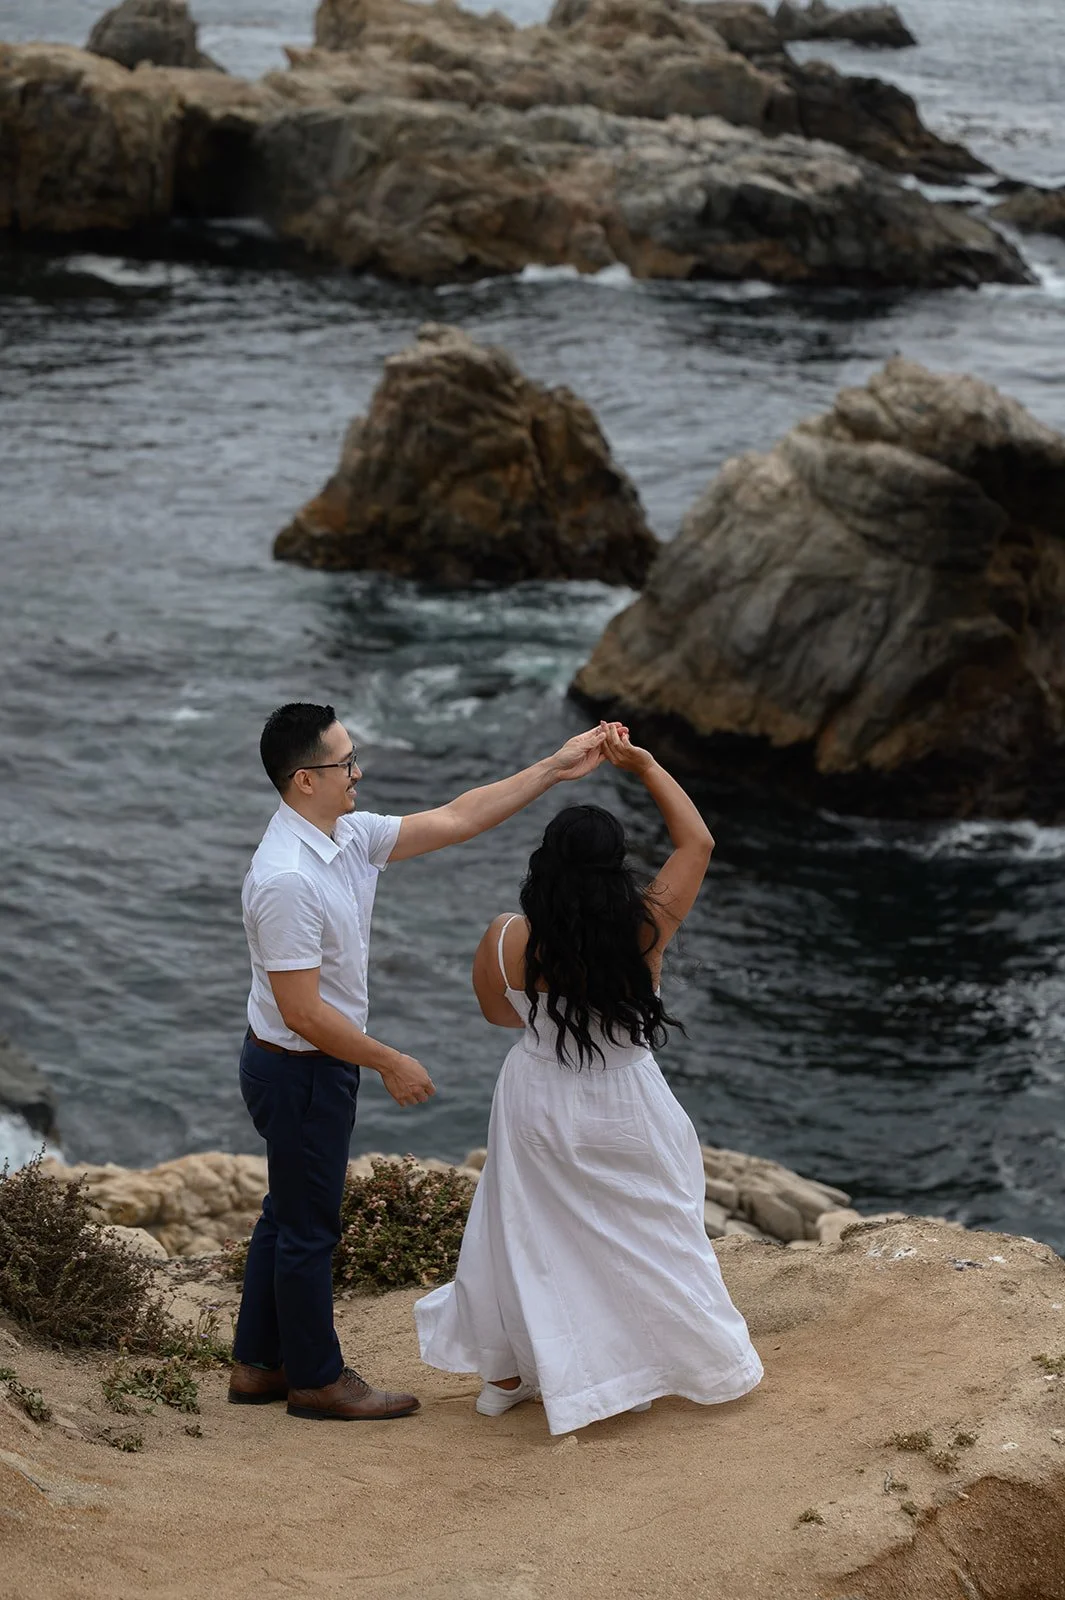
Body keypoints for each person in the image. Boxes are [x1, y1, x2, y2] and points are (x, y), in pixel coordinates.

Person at [228, 702, 609, 1422]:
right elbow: (303, 1011)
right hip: (301, 1068)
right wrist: (389, 1061)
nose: (358, 772)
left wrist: (556, 766)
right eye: (345, 762)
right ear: (305, 779)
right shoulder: (285, 879)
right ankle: (315, 1379)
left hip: (303, 1064)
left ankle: (258, 1365)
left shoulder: (343, 836)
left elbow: (459, 816)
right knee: (310, 1228)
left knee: (287, 1213)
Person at [414, 723, 763, 1434]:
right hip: (625, 1093)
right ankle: (675, 1363)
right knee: (652, 1228)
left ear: (543, 867)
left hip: (536, 1091)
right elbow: (697, 842)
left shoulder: (507, 936)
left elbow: (496, 1014)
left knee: (518, 1232)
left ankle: (505, 1375)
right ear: (616, 871)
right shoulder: (644, 928)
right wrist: (642, 763)